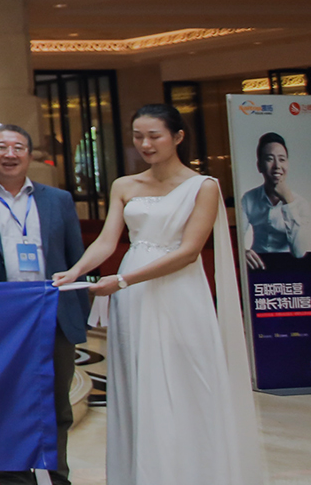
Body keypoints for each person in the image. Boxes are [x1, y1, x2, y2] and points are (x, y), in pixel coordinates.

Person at [50, 104, 265, 485]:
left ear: (178, 137)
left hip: (179, 293)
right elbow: (106, 241)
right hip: (133, 296)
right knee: (137, 381)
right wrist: (77, 271)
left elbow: (188, 252)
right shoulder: (124, 184)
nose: (145, 144)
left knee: (184, 381)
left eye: (154, 136)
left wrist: (124, 281)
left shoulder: (204, 186)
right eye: (138, 136)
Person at [0, 124, 90, 485]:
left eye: (18, 147)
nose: (10, 153)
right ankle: (14, 477)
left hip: (52, 314)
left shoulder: (58, 200)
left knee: (57, 406)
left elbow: (75, 258)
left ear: (29, 154)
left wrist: (76, 316)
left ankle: (58, 475)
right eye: (1, 147)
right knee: (8, 404)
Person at [241, 132, 309, 265]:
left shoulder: (301, 204)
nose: (277, 166)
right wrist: (242, 251)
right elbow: (234, 238)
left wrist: (288, 202)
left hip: (290, 267)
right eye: (270, 159)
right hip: (258, 265)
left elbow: (300, 252)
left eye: (282, 159)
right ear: (259, 165)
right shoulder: (249, 198)